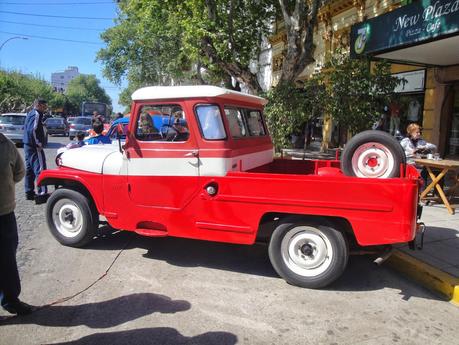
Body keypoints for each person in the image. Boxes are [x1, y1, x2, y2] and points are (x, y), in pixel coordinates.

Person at [0, 132, 35, 315]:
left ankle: (10, 300)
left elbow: (20, 171)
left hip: (4, 213)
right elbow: (19, 173)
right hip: (4, 212)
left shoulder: (6, 145)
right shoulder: (5, 143)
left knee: (7, 261)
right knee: (6, 260)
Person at [23, 98, 48, 203]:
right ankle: (42, 193)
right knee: (40, 169)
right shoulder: (36, 114)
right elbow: (32, 130)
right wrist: (38, 143)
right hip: (34, 147)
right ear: (38, 105)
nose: (45, 108)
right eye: (44, 105)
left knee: (29, 170)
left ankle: (29, 192)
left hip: (28, 145)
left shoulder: (31, 113)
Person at [400, 123, 437, 188]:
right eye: (417, 132)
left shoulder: (421, 142)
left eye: (419, 132)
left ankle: (423, 190)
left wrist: (425, 147)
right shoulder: (405, 141)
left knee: (430, 170)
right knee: (421, 170)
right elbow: (399, 152)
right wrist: (411, 153)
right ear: (411, 132)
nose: (419, 134)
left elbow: (434, 147)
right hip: (409, 164)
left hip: (420, 164)